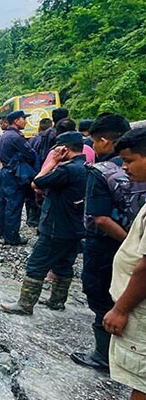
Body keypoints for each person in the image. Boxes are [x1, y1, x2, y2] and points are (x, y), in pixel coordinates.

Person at [71, 114, 134, 373]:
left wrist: (127, 243)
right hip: (135, 244)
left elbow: (100, 218)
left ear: (105, 141)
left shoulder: (101, 172)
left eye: (95, 142)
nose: (93, 148)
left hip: (106, 246)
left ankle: (103, 355)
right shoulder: (137, 166)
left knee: (100, 295)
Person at [0, 132, 87, 315]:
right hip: (74, 227)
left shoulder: (66, 170)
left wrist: (53, 162)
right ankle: (57, 301)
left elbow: (37, 182)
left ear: (64, 148)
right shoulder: (86, 167)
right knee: (64, 264)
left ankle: (25, 305)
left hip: (55, 226)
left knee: (36, 264)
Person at [103, 127, 146, 400]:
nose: (125, 168)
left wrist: (120, 308)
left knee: (141, 378)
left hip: (139, 309)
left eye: (130, 161)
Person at [0, 110, 37, 245]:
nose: (25, 121)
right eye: (23, 119)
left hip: (5, 171)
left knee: (2, 202)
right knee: (14, 204)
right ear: (17, 121)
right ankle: (12, 237)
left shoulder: (4, 135)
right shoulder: (16, 137)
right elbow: (30, 154)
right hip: (13, 174)